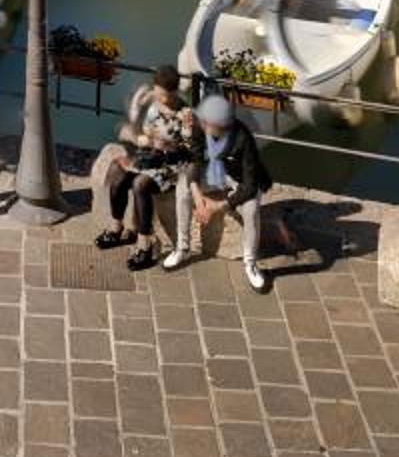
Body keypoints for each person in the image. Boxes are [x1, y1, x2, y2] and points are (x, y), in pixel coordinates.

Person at [167, 94, 276, 293]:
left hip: (239, 180)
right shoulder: (202, 127)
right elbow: (195, 160)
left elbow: (250, 186)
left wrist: (218, 206)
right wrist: (199, 198)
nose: (201, 123)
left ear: (220, 125)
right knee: (183, 186)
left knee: (251, 209)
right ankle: (182, 247)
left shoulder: (243, 139)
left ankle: (250, 263)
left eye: (206, 121)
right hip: (214, 173)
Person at [92, 66, 195, 269]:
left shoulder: (185, 115)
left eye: (163, 95)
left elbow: (189, 151)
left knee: (140, 185)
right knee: (117, 172)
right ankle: (116, 227)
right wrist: (141, 138)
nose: (158, 98)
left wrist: (166, 146)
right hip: (149, 157)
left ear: (174, 92)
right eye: (156, 92)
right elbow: (146, 130)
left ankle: (144, 244)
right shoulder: (155, 107)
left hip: (170, 165)